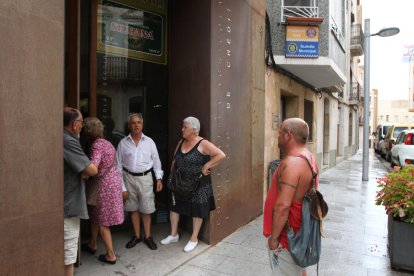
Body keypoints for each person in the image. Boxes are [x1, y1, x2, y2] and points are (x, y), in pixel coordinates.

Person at [160, 116, 226, 252]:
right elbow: (175, 160)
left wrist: (206, 165)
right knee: (174, 206)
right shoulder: (181, 142)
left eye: (185, 127)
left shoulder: (203, 143)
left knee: (197, 209)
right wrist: (171, 176)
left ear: (194, 129)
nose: (182, 129)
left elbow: (220, 155)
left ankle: (194, 238)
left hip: (198, 182)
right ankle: (173, 235)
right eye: (183, 126)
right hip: (179, 181)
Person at [263, 118, 319, 276]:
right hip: (298, 234)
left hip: (287, 237)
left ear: (288, 135)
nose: (278, 137)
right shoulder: (308, 156)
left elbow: (282, 207)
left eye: (280, 133)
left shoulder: (293, 163)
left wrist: (274, 239)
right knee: (299, 271)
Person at [116, 113, 164, 250]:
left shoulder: (149, 142)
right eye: (133, 123)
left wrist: (159, 178)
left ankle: (148, 237)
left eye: (139, 122)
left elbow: (156, 162)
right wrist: (122, 187)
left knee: (146, 209)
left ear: (142, 124)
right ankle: (137, 236)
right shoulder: (123, 143)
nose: (136, 125)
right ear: (129, 125)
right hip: (128, 178)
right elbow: (118, 166)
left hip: (145, 178)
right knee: (133, 209)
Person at [81, 117, 124, 264]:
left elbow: (93, 168)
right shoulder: (106, 142)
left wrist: (83, 172)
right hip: (113, 181)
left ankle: (111, 255)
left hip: (103, 185)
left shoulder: (96, 145)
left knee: (102, 220)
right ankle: (93, 244)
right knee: (96, 214)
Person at [63, 107, 98, 276]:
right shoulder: (68, 140)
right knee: (68, 254)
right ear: (75, 125)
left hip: (63, 202)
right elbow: (92, 170)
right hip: (67, 205)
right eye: (82, 122)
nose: (83, 127)